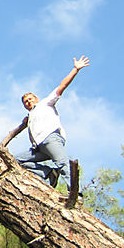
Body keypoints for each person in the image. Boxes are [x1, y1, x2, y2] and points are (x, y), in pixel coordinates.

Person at [16, 55, 90, 188]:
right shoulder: (30, 117)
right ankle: (48, 173)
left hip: (51, 138)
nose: (28, 101)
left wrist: (75, 69)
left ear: (36, 98)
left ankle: (75, 193)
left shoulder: (45, 103)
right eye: (26, 101)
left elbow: (62, 86)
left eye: (30, 98)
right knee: (16, 160)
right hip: (38, 147)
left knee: (62, 163)